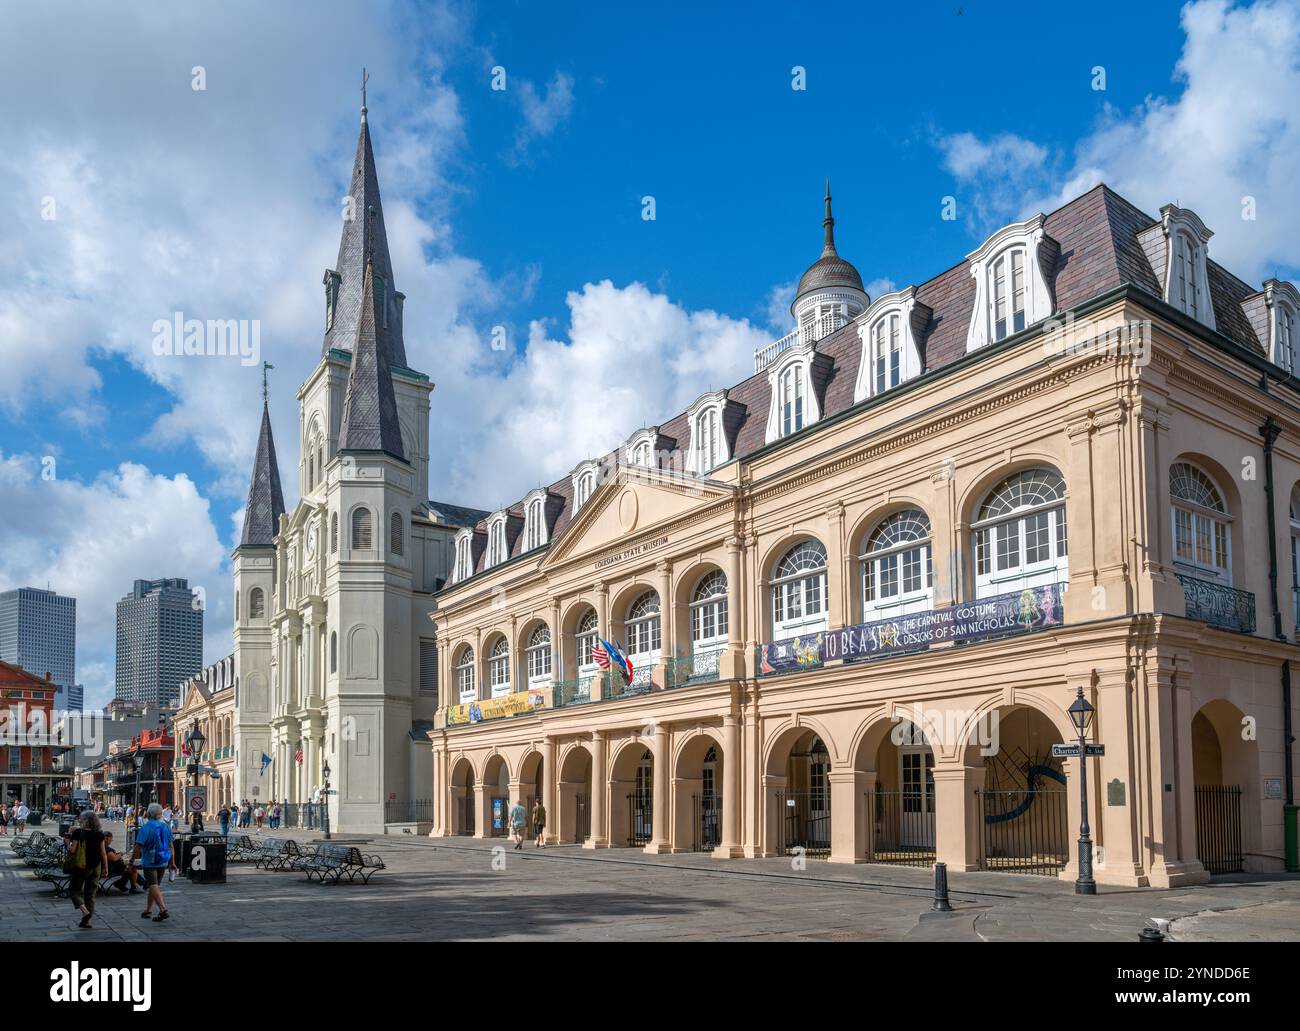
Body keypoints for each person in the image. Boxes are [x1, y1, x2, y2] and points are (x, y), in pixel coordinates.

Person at [132, 802, 177, 922]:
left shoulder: (146, 827)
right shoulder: (165, 826)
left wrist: (133, 860)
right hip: (163, 860)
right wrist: (172, 862)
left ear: (149, 814)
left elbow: (138, 846)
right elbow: (171, 846)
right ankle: (148, 910)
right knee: (155, 886)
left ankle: (163, 909)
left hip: (149, 861)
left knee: (153, 885)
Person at [64, 810, 108, 929]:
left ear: (84, 821)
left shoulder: (78, 833)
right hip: (96, 867)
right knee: (91, 895)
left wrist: (67, 843)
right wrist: (106, 868)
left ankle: (85, 912)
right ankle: (88, 922)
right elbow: (103, 853)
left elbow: (72, 850)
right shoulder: (99, 834)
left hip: (82, 866)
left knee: (74, 891)